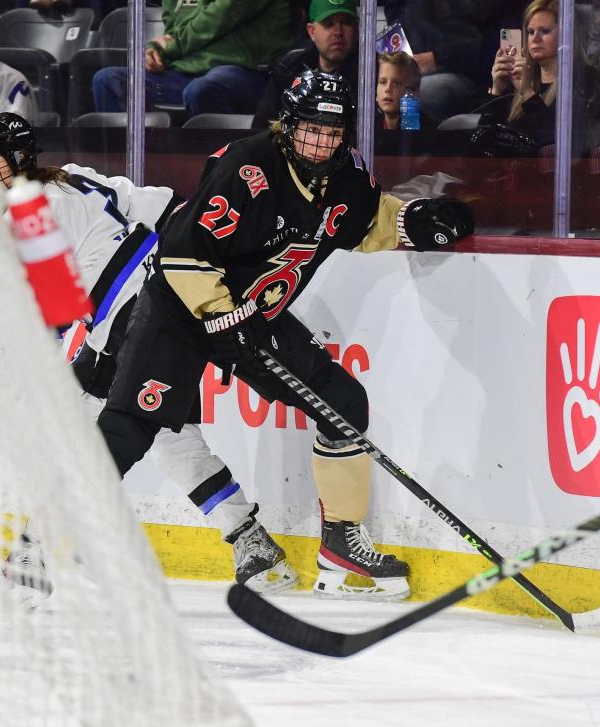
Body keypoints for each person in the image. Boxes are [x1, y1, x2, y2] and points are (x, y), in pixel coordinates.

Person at [96, 70, 474, 601]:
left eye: (332, 131)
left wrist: (417, 221)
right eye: (311, 129)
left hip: (253, 316)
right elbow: (185, 252)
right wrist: (222, 317)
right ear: (287, 126)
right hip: (179, 311)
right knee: (131, 426)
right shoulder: (247, 167)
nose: (321, 142)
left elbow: (365, 222)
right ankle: (42, 535)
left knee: (342, 403)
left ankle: (340, 548)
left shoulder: (344, 177)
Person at [0, 112, 297, 596]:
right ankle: (251, 542)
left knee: (91, 433)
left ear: (18, 158)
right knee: (170, 436)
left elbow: (54, 312)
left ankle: (34, 559)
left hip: (137, 321)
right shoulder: (77, 177)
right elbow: (170, 209)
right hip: (161, 311)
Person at [92, 0, 297, 117]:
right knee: (109, 80)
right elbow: (172, 29)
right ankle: (125, 178)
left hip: (245, 71)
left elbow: (218, 17)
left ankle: (221, 173)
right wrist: (154, 49)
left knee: (202, 90)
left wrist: (168, 47)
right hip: (185, 72)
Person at [251, 0, 359, 130]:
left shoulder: (374, 72)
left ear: (357, 29)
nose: (338, 32)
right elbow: (261, 128)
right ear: (312, 31)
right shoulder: (288, 69)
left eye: (346, 22)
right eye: (329, 23)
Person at [484, 0, 558, 146]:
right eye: (530, 32)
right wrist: (497, 90)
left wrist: (527, 93)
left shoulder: (579, 79)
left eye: (545, 31)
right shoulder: (518, 81)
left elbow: (549, 140)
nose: (535, 38)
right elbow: (486, 138)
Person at [376, 51, 424, 130]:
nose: (388, 89)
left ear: (414, 92)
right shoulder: (368, 127)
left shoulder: (425, 133)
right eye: (383, 82)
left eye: (397, 83)